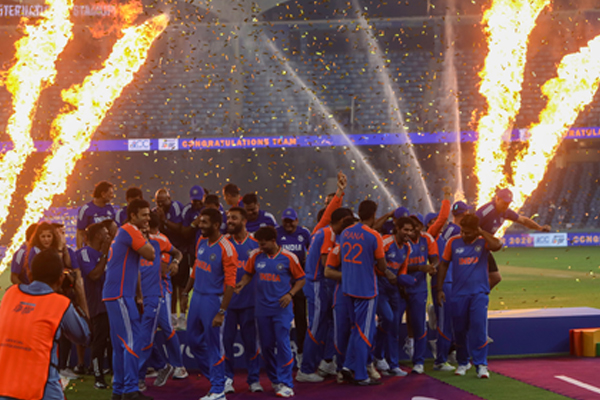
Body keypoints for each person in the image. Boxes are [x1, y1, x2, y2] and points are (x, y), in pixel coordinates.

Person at [0, 248, 91, 400]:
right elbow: (85, 337)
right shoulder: (59, 304)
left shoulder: (10, 294)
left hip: (4, 388)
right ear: (61, 278)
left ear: (29, 274)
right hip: (40, 391)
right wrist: (79, 291)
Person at [236, 226, 306, 398]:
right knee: (266, 346)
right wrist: (242, 283)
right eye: (259, 243)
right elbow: (248, 274)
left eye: (263, 244)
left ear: (273, 241)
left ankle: (286, 382)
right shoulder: (256, 256)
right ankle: (275, 380)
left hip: (281, 309)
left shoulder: (289, 257)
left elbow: (301, 279)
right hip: (262, 309)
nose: (260, 247)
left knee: (283, 344)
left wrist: (290, 294)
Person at [436, 214, 503, 379]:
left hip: (479, 293)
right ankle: (463, 362)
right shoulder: (453, 242)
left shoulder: (483, 241)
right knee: (459, 330)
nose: (464, 235)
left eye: (468, 232)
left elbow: (497, 245)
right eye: (462, 231)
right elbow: (443, 265)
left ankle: (481, 365)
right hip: (458, 293)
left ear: (476, 230)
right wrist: (439, 289)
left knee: (479, 327)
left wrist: (481, 232)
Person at [102, 199, 156, 400]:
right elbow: (151, 254)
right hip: (121, 294)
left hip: (115, 294)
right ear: (133, 215)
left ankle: (119, 390)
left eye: (149, 214)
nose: (148, 218)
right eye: (144, 215)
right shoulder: (131, 230)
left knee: (119, 345)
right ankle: (131, 390)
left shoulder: (123, 231)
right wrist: (147, 237)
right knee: (133, 340)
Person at [183, 208, 237, 400]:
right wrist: (185, 292)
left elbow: (230, 284)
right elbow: (196, 268)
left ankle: (218, 391)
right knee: (192, 341)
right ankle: (219, 379)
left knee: (215, 345)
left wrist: (222, 311)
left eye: (204, 222)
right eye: (200, 221)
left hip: (213, 300)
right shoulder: (201, 241)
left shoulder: (226, 248)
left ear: (216, 225)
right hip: (197, 297)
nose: (200, 225)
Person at [338, 200, 387, 386]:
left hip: (348, 288)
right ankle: (361, 375)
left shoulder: (345, 232)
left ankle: (348, 366)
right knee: (364, 333)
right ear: (374, 214)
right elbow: (382, 265)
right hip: (366, 290)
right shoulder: (374, 236)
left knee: (356, 330)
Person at [138, 211, 184, 390]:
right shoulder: (134, 243)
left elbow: (172, 260)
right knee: (144, 333)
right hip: (141, 293)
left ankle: (177, 365)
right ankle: (161, 365)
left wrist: (175, 263)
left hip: (160, 290)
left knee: (163, 327)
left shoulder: (159, 241)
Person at [476, 188, 551, 289]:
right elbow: (471, 225)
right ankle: (476, 294)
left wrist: (539, 228)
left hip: (483, 248)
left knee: (495, 278)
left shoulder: (506, 212)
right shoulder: (487, 210)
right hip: (474, 246)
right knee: (478, 277)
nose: (506, 205)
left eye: (508, 203)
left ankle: (480, 294)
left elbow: (523, 220)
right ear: (497, 199)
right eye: (504, 202)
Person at [223, 207, 263, 394]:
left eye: (234, 218)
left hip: (250, 303)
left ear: (244, 221)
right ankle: (227, 378)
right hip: (227, 304)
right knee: (226, 342)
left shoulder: (256, 245)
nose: (229, 221)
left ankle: (254, 379)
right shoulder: (223, 243)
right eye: (228, 218)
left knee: (251, 343)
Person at [373, 217, 415, 377]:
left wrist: (402, 278)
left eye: (411, 230)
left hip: (394, 288)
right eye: (405, 230)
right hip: (380, 286)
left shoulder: (407, 247)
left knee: (394, 325)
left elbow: (403, 267)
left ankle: (392, 363)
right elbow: (374, 262)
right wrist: (386, 273)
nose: (408, 233)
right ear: (397, 228)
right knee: (388, 318)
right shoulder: (385, 242)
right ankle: (378, 356)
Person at [78, 222, 112, 389]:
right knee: (99, 341)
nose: (109, 236)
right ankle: (98, 376)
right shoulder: (85, 253)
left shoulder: (109, 252)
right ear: (98, 236)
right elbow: (94, 275)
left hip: (111, 302)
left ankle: (113, 372)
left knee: (112, 340)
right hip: (97, 304)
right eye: (106, 233)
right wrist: (104, 254)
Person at [405, 215, 439, 374]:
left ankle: (418, 361)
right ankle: (388, 361)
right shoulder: (402, 240)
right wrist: (420, 268)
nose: (414, 230)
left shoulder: (427, 239)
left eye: (417, 226)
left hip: (418, 288)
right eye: (411, 227)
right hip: (398, 287)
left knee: (419, 324)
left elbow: (435, 259)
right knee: (390, 322)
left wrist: (432, 267)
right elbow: (397, 266)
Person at [276, 207, 310, 361]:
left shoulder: (304, 233)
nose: (288, 224)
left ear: (297, 220)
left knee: (301, 317)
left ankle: (301, 351)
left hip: (299, 282)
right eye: (286, 221)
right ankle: (280, 351)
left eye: (291, 221)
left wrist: (308, 259)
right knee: (280, 317)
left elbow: (311, 251)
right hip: (281, 283)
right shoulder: (277, 233)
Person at [178, 185, 206, 329]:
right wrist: (195, 224)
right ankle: (183, 316)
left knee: (204, 284)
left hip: (209, 252)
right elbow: (184, 232)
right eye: (194, 200)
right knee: (185, 283)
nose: (197, 203)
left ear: (204, 197)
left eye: (199, 200)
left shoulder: (211, 209)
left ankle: (203, 315)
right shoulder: (187, 210)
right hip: (192, 251)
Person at [77, 180, 116, 248]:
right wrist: (80, 250)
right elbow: (80, 232)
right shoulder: (86, 209)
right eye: (110, 193)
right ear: (103, 194)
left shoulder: (111, 209)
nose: (112, 196)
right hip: (92, 248)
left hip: (108, 248)